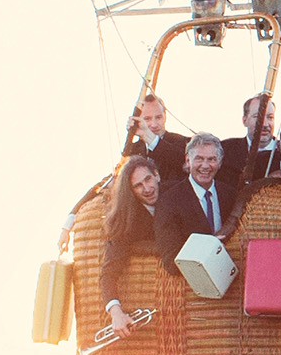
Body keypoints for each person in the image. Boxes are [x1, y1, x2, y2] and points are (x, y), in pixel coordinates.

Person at [153, 133, 248, 263]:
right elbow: (170, 257)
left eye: (212, 159)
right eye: (199, 159)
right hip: (189, 279)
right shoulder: (168, 202)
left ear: (220, 163)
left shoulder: (231, 195)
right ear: (187, 161)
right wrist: (207, 248)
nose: (205, 166)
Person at [97, 155, 163, 335]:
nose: (147, 188)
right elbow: (108, 274)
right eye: (138, 186)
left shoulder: (175, 193)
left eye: (148, 179)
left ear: (156, 175)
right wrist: (116, 312)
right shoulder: (125, 220)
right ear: (131, 191)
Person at [119, 94, 188, 178]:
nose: (154, 124)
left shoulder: (183, 143)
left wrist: (149, 137)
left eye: (158, 117)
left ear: (165, 116)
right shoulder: (133, 150)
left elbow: (181, 161)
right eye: (147, 119)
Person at [226, 93, 276, 182]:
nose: (264, 124)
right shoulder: (227, 150)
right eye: (257, 117)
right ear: (244, 121)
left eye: (270, 117)